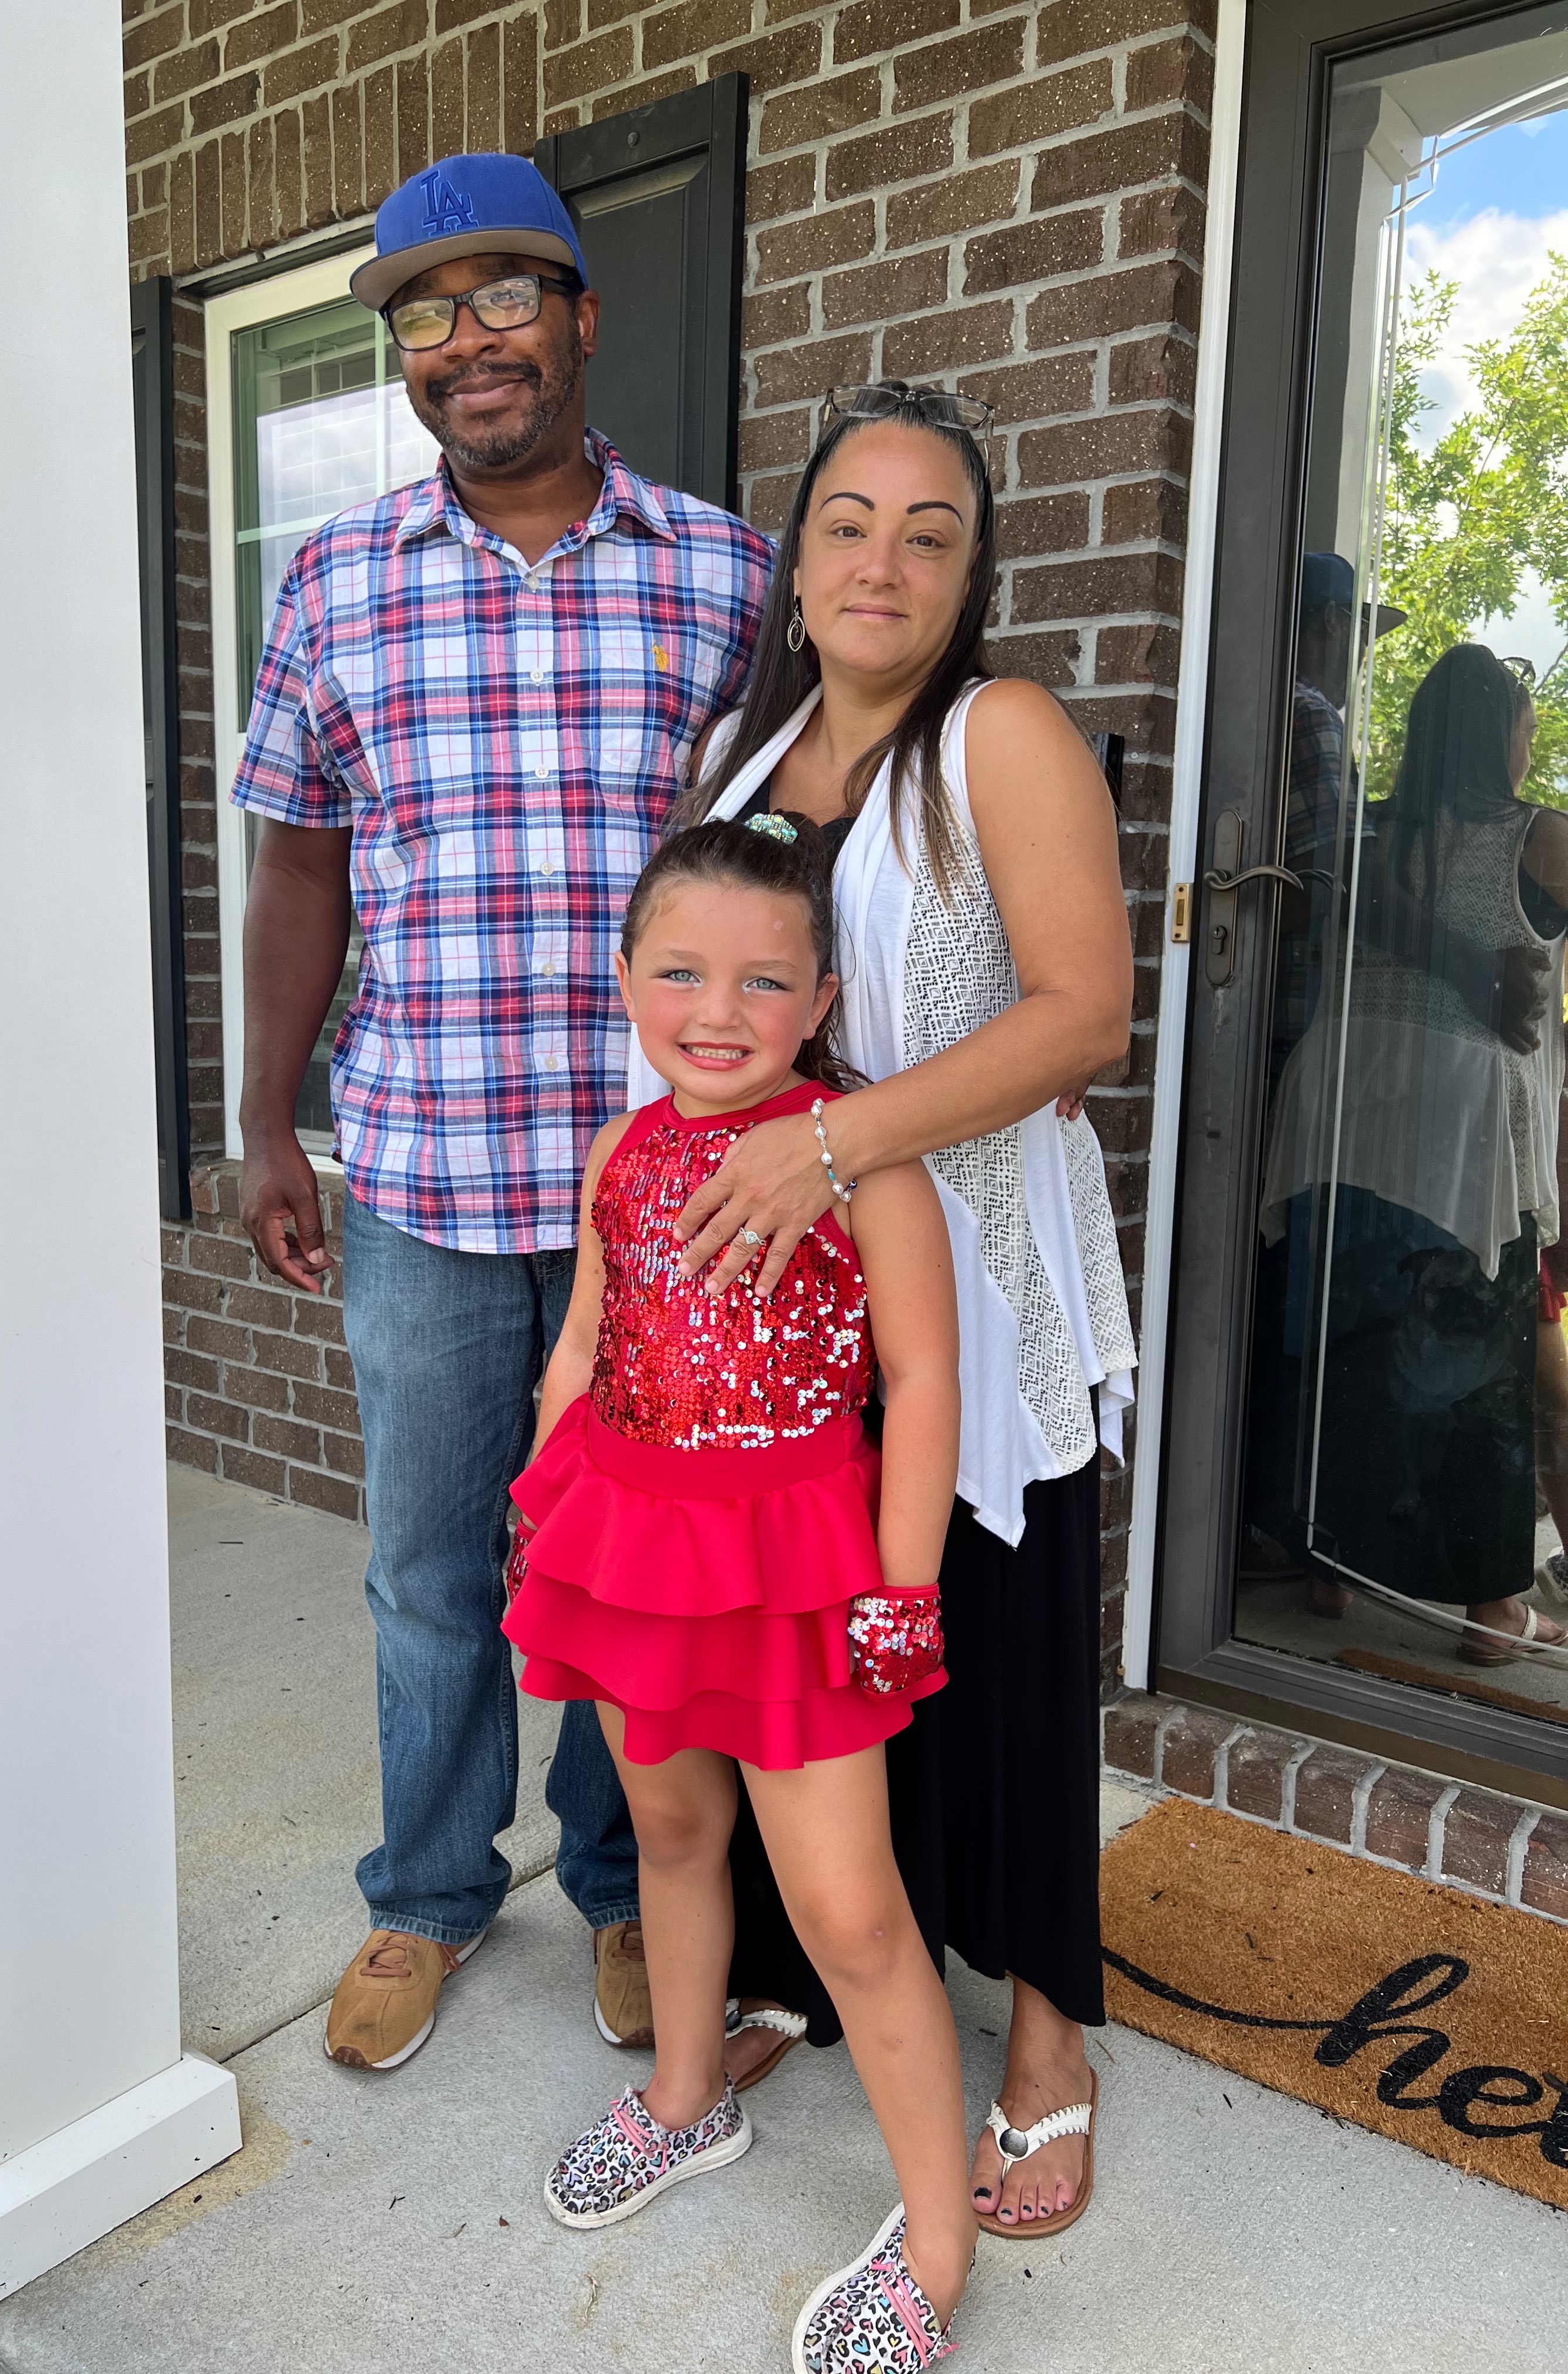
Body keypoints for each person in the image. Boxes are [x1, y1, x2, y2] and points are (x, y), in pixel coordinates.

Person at [231, 152, 773, 2070]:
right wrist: (266, 1119)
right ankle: (432, 1893)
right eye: (426, 314)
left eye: (505, 298)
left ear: (581, 318)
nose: (468, 343)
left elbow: (786, 878)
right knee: (433, 1569)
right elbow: (299, 867)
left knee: (640, 1569)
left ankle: (630, 1885)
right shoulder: (334, 581)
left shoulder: (726, 575)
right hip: (426, 1174)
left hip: (662, 1198)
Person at [639, 381, 1136, 2237]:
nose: (885, 562)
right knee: (823, 1654)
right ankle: (812, 1964)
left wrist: (835, 1143)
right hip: (786, 1318)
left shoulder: (1002, 734)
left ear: (970, 574)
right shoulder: (738, 757)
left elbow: (1085, 1014)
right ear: (796, 563)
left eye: (933, 534)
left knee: (995, 1657)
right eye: (850, 523)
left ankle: (1050, 2038)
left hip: (976, 1296)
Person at [506, 815, 974, 2373]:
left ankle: (939, 2241)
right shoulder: (621, 1152)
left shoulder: (863, 1161)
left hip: (796, 1574)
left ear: (821, 1001)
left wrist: (902, 1593)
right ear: (625, 978)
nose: (719, 1013)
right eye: (681, 972)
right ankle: (686, 2098)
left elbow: (922, 1380)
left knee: (849, 1909)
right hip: (633, 1546)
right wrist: (544, 1503)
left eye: (765, 981)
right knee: (671, 1833)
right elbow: (588, 1340)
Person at [1261, 644, 1568, 1663]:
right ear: (1501, 734)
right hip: (1460, 1133)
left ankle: (1330, 1567)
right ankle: (1492, 1610)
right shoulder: (1541, 838)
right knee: (1482, 1370)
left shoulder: (1371, 839)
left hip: (1344, 1110)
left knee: (1351, 1343)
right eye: (1527, 727)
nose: (1530, 748)